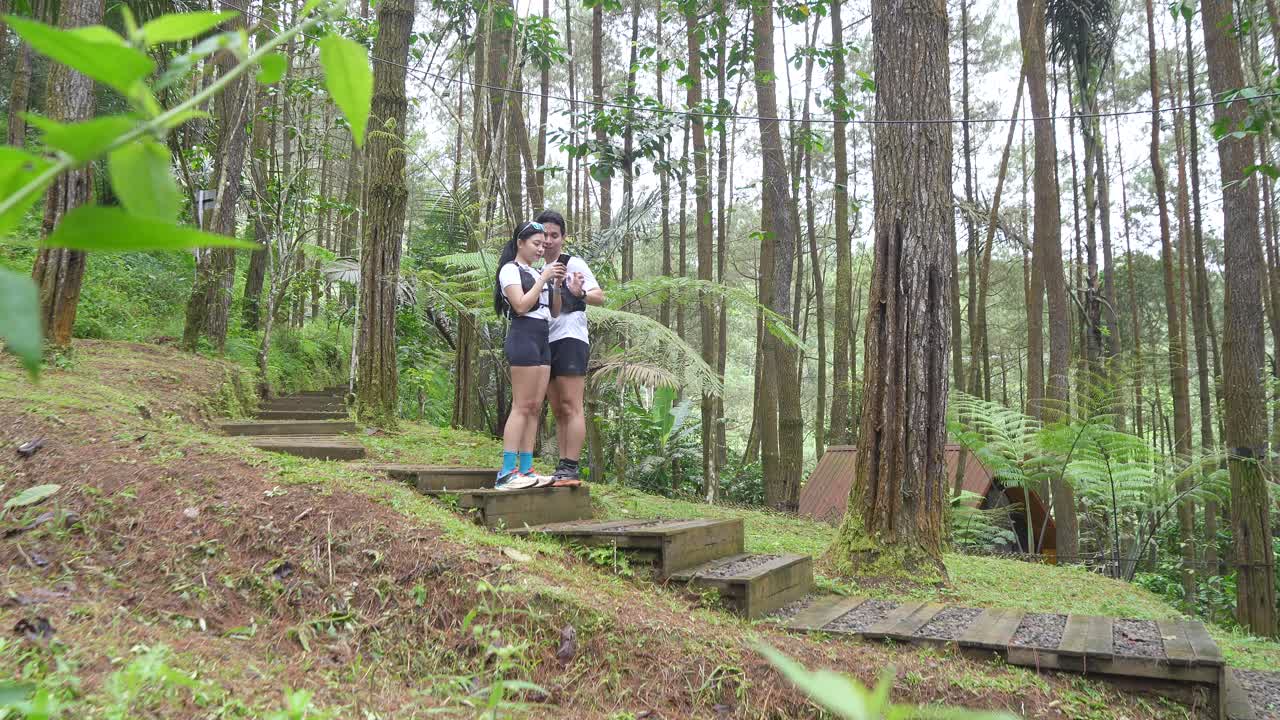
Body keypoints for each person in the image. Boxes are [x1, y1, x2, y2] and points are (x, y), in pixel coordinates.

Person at [493, 221, 566, 490]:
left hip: (542, 337)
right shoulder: (509, 271)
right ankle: (506, 472)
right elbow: (521, 305)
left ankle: (527, 469)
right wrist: (543, 278)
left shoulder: (537, 272)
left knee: (535, 407)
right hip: (523, 335)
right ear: (520, 243)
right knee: (521, 406)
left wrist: (555, 283)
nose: (540, 248)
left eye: (543, 244)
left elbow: (556, 311)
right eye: (535, 243)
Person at [536, 210, 605, 486]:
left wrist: (580, 293)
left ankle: (571, 467)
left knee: (571, 404)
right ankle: (562, 468)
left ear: (563, 238)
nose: (549, 241)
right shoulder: (536, 268)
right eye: (545, 235)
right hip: (544, 341)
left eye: (555, 235)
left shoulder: (572, 263)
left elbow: (599, 296)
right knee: (557, 407)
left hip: (570, 338)